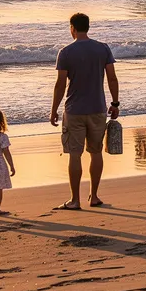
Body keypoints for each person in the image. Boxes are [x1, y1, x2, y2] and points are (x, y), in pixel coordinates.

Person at [50, 13, 120, 211]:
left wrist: (54, 110)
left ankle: (75, 200)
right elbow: (112, 79)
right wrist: (115, 103)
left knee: (75, 154)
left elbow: (60, 84)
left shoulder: (65, 52)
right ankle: (95, 196)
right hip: (98, 108)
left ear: (72, 28)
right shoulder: (102, 48)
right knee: (96, 152)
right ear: (87, 27)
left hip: (74, 110)